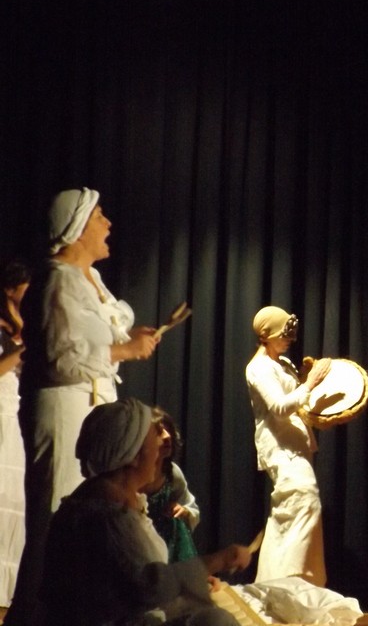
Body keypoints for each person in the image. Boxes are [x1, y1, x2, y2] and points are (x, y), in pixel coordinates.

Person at [6, 187, 161, 625]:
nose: (108, 224)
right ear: (76, 229)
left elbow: (95, 338)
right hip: (63, 409)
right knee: (57, 512)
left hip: (92, 405)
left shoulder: (88, 279)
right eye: (99, 217)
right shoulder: (57, 279)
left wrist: (129, 342)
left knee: (93, 513)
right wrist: (125, 351)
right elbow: (59, 356)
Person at [37, 397, 251, 625]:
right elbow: (147, 588)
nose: (160, 448)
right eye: (153, 441)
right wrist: (216, 561)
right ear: (133, 456)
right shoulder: (106, 516)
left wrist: (192, 582)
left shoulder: (113, 500)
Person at [245, 306, 331, 585]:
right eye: (284, 334)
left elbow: (296, 400)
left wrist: (305, 378)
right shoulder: (259, 368)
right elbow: (280, 408)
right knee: (302, 499)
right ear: (265, 335)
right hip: (280, 446)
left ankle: (288, 581)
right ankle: (287, 580)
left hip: (295, 443)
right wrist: (309, 384)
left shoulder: (282, 363)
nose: (290, 339)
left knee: (291, 508)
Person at [0, 259, 30, 606]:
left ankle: (9, 596)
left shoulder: (23, 323)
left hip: (16, 415)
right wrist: (24, 349)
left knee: (15, 500)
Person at [146, 409, 201, 563]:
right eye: (159, 432)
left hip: (168, 544)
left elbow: (190, 507)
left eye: (168, 430)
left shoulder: (172, 473)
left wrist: (184, 511)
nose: (167, 436)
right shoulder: (133, 474)